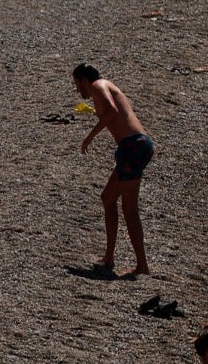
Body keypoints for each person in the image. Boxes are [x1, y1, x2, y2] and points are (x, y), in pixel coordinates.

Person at [73, 63, 153, 278]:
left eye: (77, 84)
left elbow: (112, 111)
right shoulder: (106, 85)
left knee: (130, 209)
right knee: (108, 198)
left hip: (133, 147)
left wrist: (90, 136)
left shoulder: (98, 85)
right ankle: (109, 256)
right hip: (136, 146)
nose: (78, 90)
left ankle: (142, 265)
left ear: (83, 80)